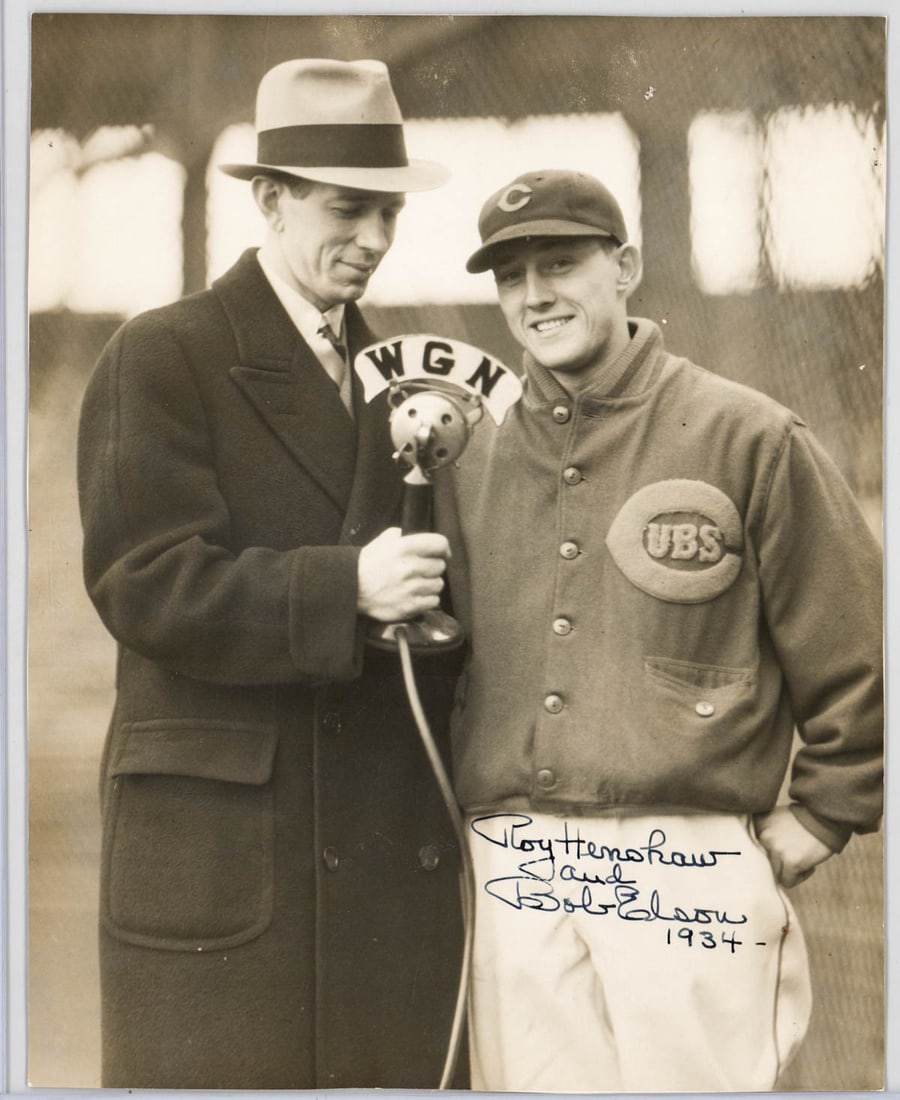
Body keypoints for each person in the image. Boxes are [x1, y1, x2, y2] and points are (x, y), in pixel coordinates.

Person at [434, 168, 883, 1093]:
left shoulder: (746, 434)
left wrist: (829, 810)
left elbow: (861, 644)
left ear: (626, 265)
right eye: (511, 275)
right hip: (519, 858)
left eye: (561, 264)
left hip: (682, 848)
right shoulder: (472, 452)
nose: (535, 294)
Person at [77, 58, 466, 1090]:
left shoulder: (406, 383)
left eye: (388, 212)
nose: (376, 241)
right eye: (349, 210)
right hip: (231, 866)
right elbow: (142, 578)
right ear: (270, 199)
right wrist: (345, 589)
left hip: (376, 868)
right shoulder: (162, 356)